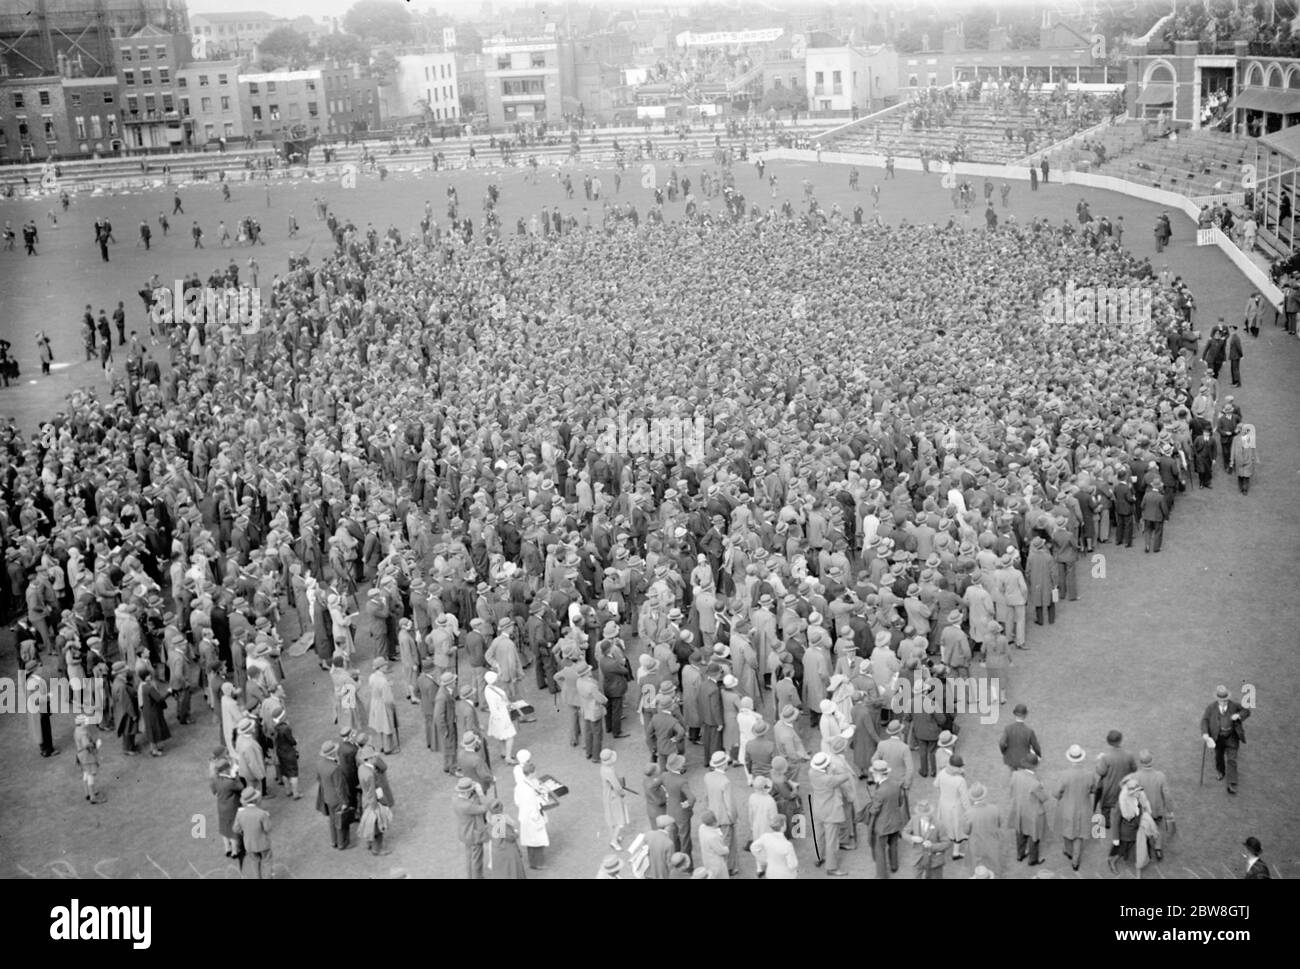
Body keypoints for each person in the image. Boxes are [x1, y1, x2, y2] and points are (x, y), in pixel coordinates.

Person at [1200, 685, 1250, 796]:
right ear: (1217, 699)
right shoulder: (1211, 708)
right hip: (1218, 737)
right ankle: (1221, 772)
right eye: (1221, 700)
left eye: (1225, 700)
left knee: (1232, 759)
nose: (1224, 702)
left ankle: (1231, 783)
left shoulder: (1234, 706)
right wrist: (1205, 734)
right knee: (1219, 756)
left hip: (1232, 737)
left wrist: (1239, 715)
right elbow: (1204, 721)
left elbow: (1246, 711)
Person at [1052, 744, 1095, 871]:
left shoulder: (1064, 774)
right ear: (1081, 757)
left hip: (1067, 808)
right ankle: (1075, 861)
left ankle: (1068, 852)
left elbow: (1055, 793)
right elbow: (1093, 789)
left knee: (1067, 831)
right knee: (1079, 835)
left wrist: (1061, 797)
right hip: (1084, 808)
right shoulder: (1089, 774)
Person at [865, 758, 908, 878]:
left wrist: (869, 808)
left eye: (874, 773)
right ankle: (894, 866)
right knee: (893, 844)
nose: (872, 775)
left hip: (882, 825)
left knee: (879, 850)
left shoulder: (880, 792)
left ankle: (881, 875)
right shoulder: (895, 784)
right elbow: (900, 802)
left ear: (878, 774)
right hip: (895, 821)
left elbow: (875, 810)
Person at [1008, 751, 1048, 866]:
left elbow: (1012, 789)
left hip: (1019, 809)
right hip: (1032, 813)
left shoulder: (1015, 775)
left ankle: (1020, 854)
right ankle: (1033, 859)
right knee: (1034, 836)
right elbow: (1044, 798)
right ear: (1035, 766)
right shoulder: (1035, 783)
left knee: (1020, 832)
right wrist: (1042, 786)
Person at [316, 740, 351, 850]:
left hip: (327, 796)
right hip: (336, 799)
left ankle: (334, 841)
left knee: (332, 820)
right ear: (332, 753)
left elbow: (319, 779)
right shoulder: (335, 768)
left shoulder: (319, 764)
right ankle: (341, 843)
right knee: (340, 820)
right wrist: (344, 802)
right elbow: (339, 788)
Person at [963, 782, 1003, 876]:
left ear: (972, 797)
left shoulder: (969, 813)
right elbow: (999, 824)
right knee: (994, 864)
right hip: (992, 840)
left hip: (976, 843)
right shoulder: (994, 809)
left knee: (977, 867)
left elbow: (966, 831)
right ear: (984, 796)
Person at [232, 786, 273, 878]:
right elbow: (268, 828)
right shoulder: (262, 813)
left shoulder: (240, 814)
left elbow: (235, 829)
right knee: (266, 861)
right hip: (263, 843)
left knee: (254, 862)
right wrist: (268, 817)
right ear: (255, 800)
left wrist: (244, 832)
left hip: (249, 844)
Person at [904, 800, 951, 879]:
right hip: (918, 857)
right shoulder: (914, 820)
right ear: (919, 814)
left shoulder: (938, 824)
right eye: (924, 815)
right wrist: (912, 838)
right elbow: (904, 833)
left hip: (934, 860)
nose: (927, 817)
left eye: (928, 814)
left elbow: (947, 843)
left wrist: (932, 846)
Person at [453, 776, 489, 878]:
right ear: (467, 792)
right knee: (477, 860)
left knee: (469, 857)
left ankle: (470, 876)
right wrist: (481, 793)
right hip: (473, 835)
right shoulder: (468, 806)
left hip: (465, 833)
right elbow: (485, 807)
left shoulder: (455, 799)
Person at [486, 799, 526, 879]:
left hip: (497, 849)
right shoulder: (499, 820)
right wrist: (516, 833)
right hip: (507, 850)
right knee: (512, 872)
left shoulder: (489, 817)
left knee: (501, 873)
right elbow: (510, 837)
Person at [599, 748, 630, 850]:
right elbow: (616, 786)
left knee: (612, 819)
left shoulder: (604, 768)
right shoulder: (609, 771)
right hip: (613, 797)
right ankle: (614, 840)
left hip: (608, 795)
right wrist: (622, 793)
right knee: (619, 821)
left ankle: (614, 837)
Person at [750, 814, 799, 878]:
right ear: (783, 826)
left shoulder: (766, 837)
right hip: (785, 875)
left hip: (770, 873)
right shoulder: (787, 845)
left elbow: (753, 847)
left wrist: (764, 859)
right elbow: (792, 865)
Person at [998, 704, 1041, 775]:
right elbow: (1035, 746)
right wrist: (1039, 755)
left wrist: (1005, 752)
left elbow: (1001, 743)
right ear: (1025, 715)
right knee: (1023, 775)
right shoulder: (1029, 731)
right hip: (1024, 760)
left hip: (1010, 758)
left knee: (1013, 774)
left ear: (1015, 714)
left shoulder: (1008, 728)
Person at [73, 713, 104, 804]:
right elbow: (87, 745)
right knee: (91, 775)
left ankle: (87, 793)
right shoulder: (83, 733)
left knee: (86, 773)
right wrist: (97, 745)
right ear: (82, 723)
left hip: (81, 756)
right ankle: (92, 797)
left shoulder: (77, 730)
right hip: (87, 756)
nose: (87, 722)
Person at [1228, 424, 1258, 495]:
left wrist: (1253, 458)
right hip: (1239, 461)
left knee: (1246, 476)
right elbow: (1233, 450)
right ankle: (1241, 487)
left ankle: (1245, 489)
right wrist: (1231, 460)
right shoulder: (1235, 439)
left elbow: (1253, 449)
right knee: (1240, 476)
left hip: (1248, 460)